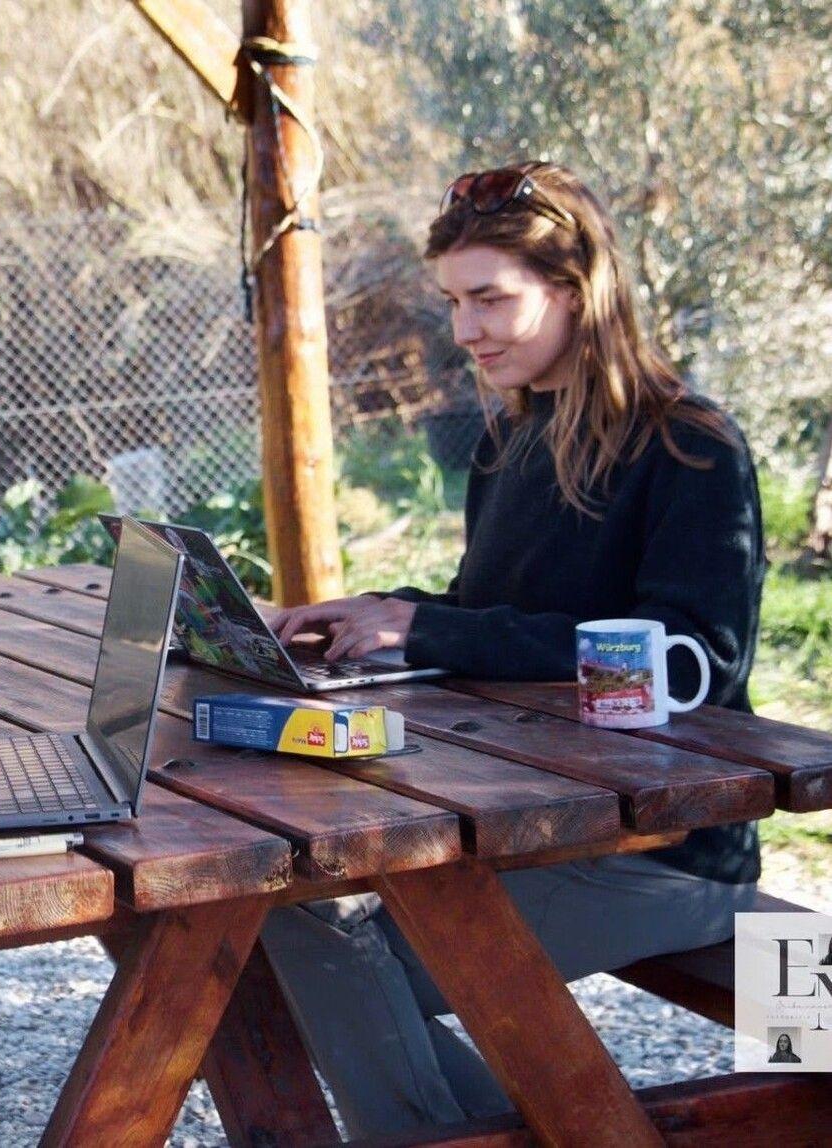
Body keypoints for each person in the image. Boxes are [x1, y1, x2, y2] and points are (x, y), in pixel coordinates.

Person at [261, 163, 765, 1138]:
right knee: (286, 919)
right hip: (531, 819)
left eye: (491, 297)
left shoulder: (691, 446)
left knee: (313, 937)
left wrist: (429, 625)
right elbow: (489, 614)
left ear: (577, 291)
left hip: (665, 843)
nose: (464, 329)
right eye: (453, 301)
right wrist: (373, 612)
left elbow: (695, 656)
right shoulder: (509, 443)